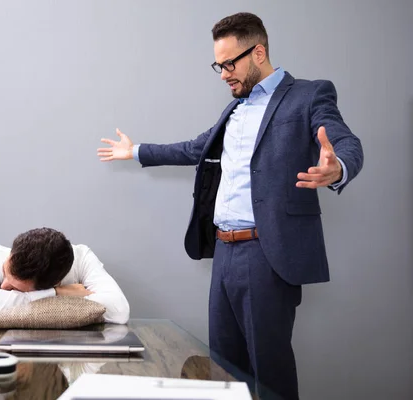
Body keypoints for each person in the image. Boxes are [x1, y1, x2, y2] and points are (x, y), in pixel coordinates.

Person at [97, 12, 363, 400]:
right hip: (224, 251)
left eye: (228, 64)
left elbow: (346, 142)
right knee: (223, 366)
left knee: (268, 369)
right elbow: (195, 148)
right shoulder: (234, 109)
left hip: (267, 252)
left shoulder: (309, 95)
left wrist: (336, 166)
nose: (222, 74)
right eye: (217, 65)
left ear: (258, 52)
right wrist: (135, 151)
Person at [0, 227, 130, 324]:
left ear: (56, 282)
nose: (3, 286)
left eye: (16, 287)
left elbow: (119, 310)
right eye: (5, 272)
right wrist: (58, 294)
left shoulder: (83, 258)